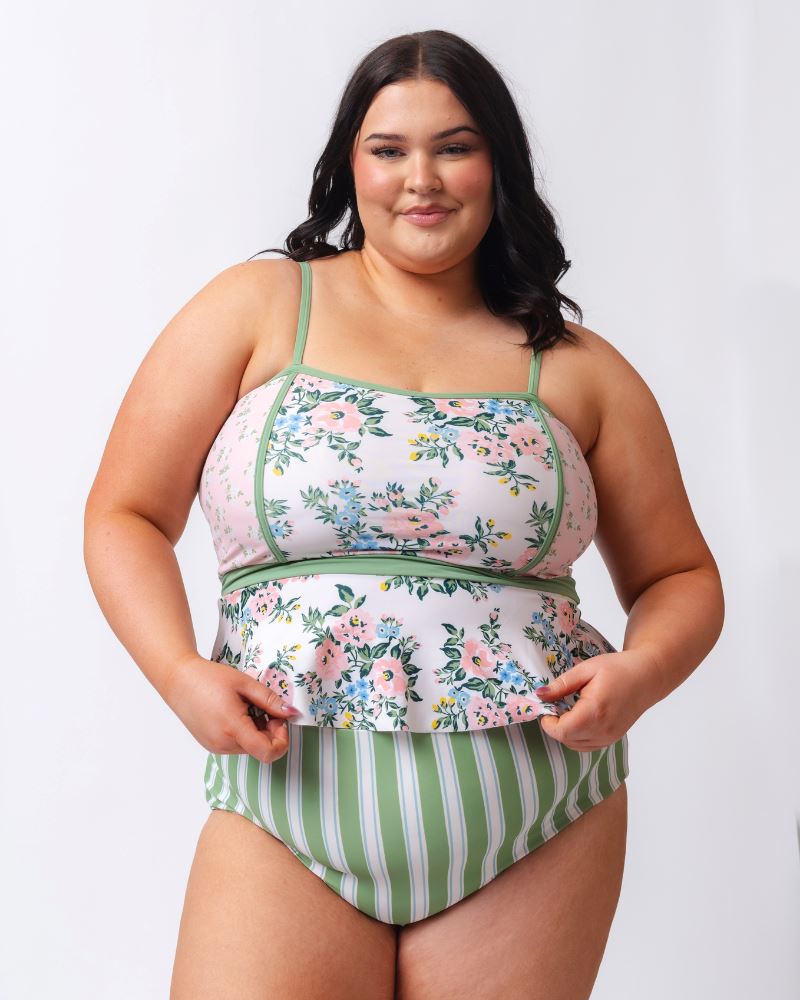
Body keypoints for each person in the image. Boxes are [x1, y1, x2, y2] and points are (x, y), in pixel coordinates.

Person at [83, 28, 724, 1000]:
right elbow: (124, 512)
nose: (420, 179)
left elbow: (681, 576)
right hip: (288, 804)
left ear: (498, 165)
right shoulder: (260, 306)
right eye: (389, 149)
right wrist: (178, 673)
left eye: (454, 147)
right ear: (350, 164)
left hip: (534, 814)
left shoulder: (578, 367)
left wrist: (640, 675)